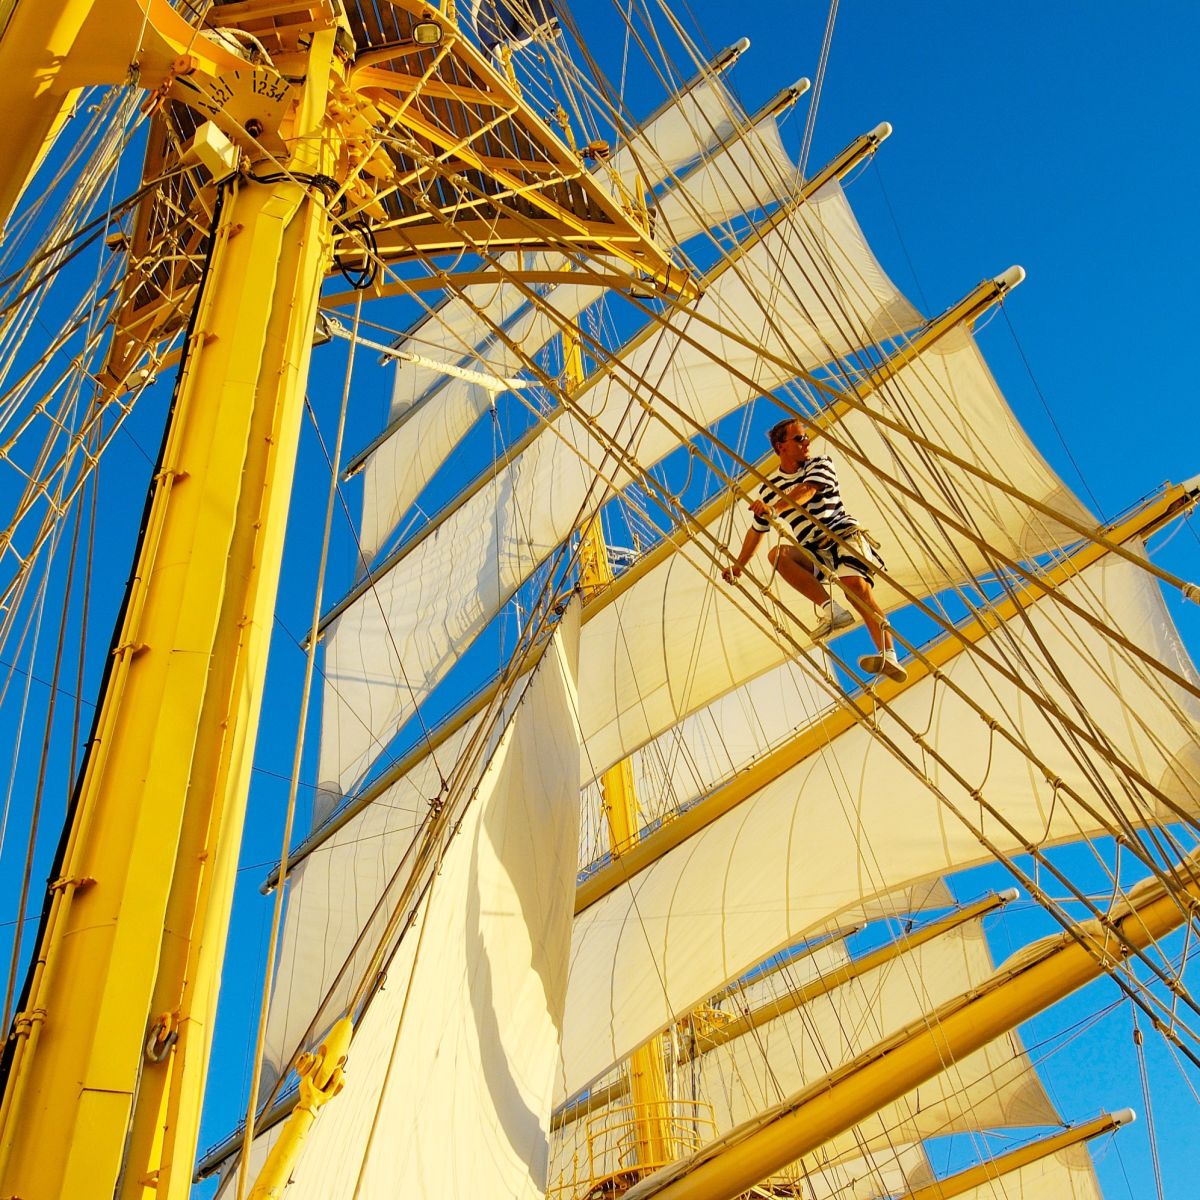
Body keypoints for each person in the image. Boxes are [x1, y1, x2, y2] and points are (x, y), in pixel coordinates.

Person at [721, 417, 907, 682]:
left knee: (856, 587)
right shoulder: (769, 489)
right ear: (780, 447)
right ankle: (832, 610)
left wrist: (774, 509)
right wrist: (738, 567)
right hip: (812, 549)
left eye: (806, 437)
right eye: (798, 438)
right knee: (777, 555)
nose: (806, 442)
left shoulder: (820, 464)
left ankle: (889, 654)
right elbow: (757, 530)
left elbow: (807, 491)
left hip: (841, 534)